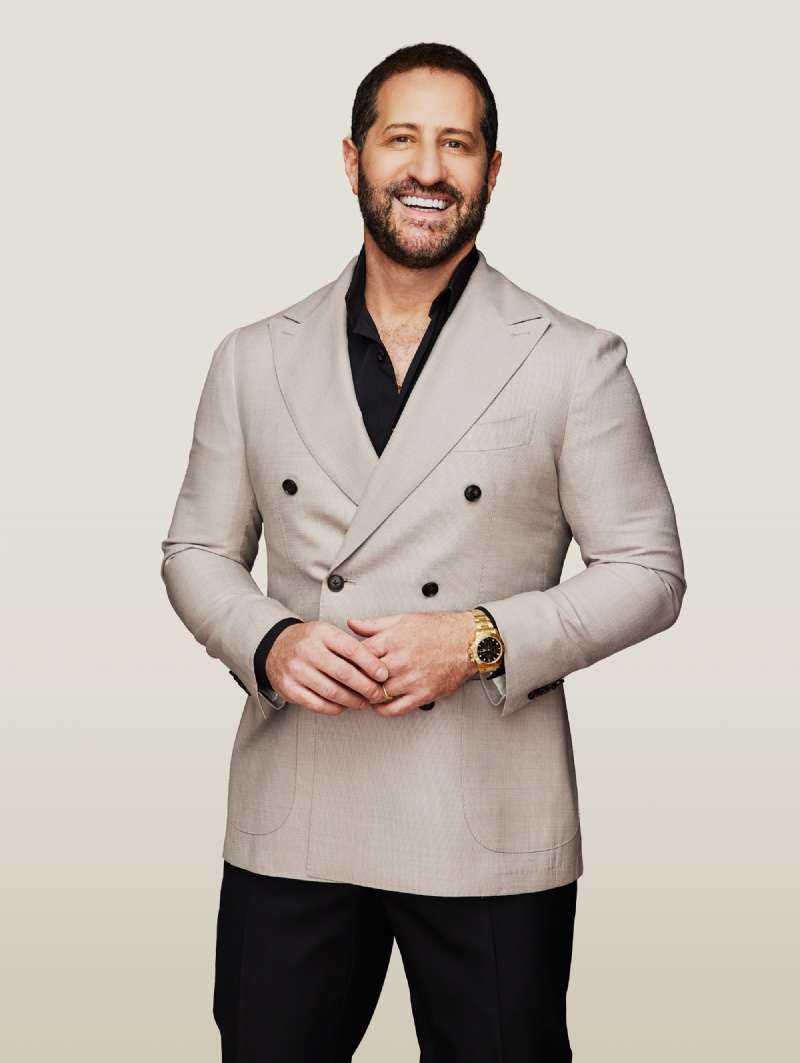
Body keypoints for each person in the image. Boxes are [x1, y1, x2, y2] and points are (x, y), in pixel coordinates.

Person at [162, 41, 685, 1063]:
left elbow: (648, 571)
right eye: (401, 138)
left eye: (458, 144)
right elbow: (195, 549)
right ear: (351, 159)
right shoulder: (252, 357)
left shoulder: (571, 359)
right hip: (297, 807)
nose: (428, 169)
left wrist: (479, 639)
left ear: (493, 169)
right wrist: (269, 641)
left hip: (483, 813)